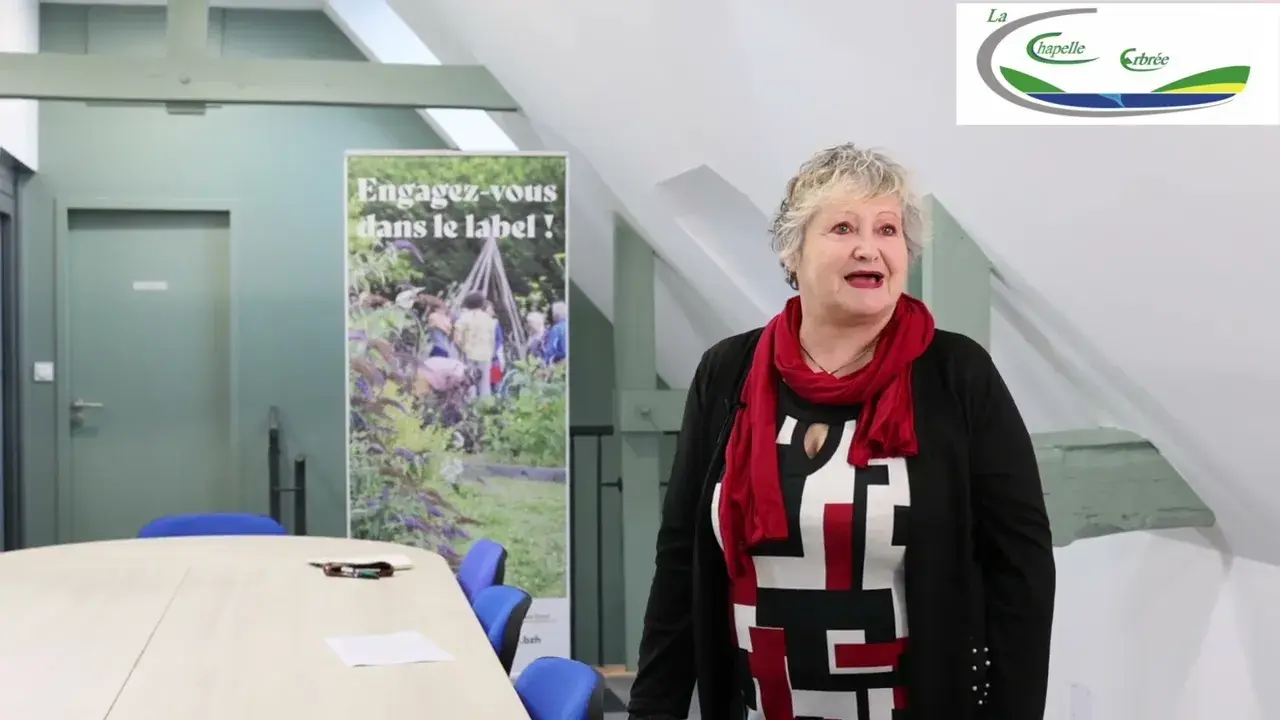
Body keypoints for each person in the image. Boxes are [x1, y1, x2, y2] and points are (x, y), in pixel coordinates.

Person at [627, 144, 1055, 720]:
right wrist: (653, 710)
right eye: (843, 227)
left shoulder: (956, 374)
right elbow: (682, 558)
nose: (869, 248)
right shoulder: (727, 372)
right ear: (793, 250)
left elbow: (1021, 569)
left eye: (887, 229)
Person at [451, 291, 498, 400]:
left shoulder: (464, 318)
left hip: (469, 355)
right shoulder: (489, 319)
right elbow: (492, 339)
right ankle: (485, 406)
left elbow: (457, 339)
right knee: (484, 385)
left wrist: (461, 350)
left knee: (469, 384)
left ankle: (470, 406)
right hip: (485, 355)